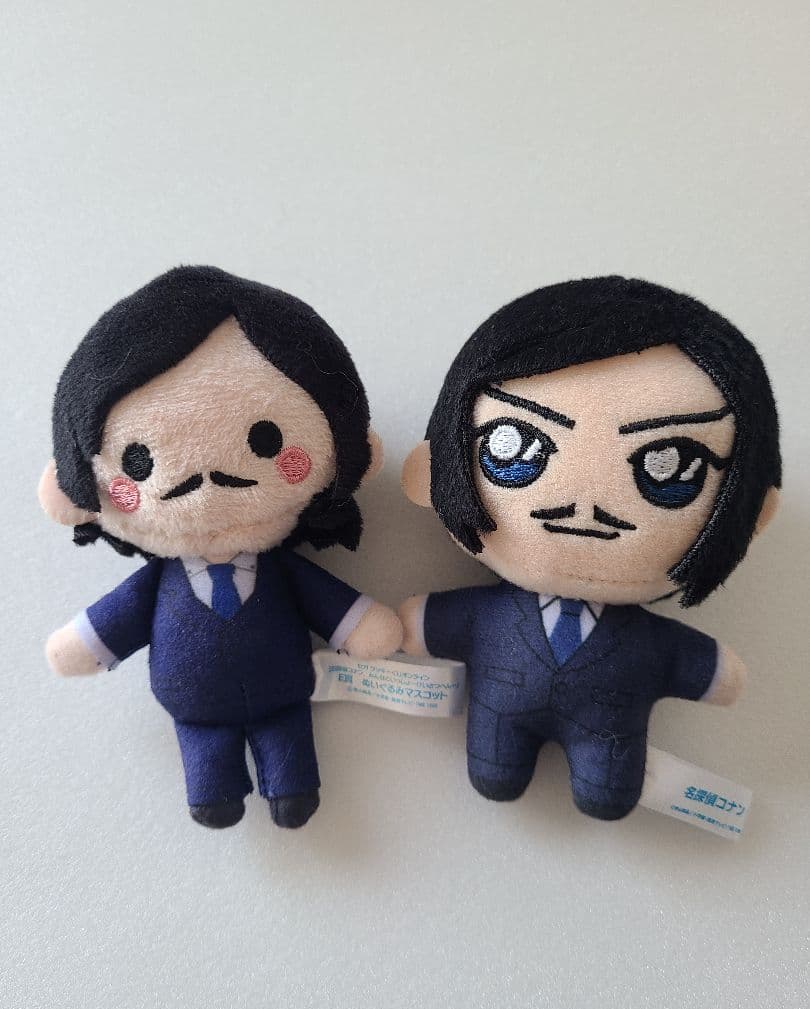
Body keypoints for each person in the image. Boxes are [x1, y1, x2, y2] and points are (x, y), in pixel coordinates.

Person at [399, 276, 780, 820]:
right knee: (494, 775)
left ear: (751, 512)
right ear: (432, 471)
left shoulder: (644, 642)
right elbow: (426, 624)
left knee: (606, 795)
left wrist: (713, 671)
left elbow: (698, 666)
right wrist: (403, 626)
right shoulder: (489, 618)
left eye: (669, 464)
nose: (586, 503)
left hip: (610, 736)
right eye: (514, 446)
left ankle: (602, 786)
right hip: (497, 726)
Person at [40, 266, 402, 830]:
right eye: (138, 462)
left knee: (290, 759)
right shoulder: (156, 585)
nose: (204, 478)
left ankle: (292, 787)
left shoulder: (286, 572)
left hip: (285, 695)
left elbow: (330, 603)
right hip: (195, 708)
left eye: (267, 440)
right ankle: (213, 793)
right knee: (209, 777)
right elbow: (117, 618)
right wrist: (82, 645)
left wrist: (361, 626)